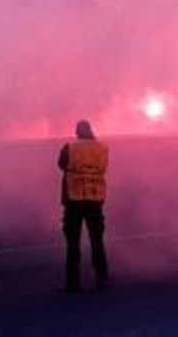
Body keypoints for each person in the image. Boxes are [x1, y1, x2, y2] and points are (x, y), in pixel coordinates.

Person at [58, 119, 109, 292]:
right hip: (95, 199)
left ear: (77, 131)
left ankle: (73, 283)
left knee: (73, 243)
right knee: (97, 240)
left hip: (74, 200)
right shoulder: (102, 147)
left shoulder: (70, 147)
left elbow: (61, 164)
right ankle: (102, 278)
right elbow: (104, 167)